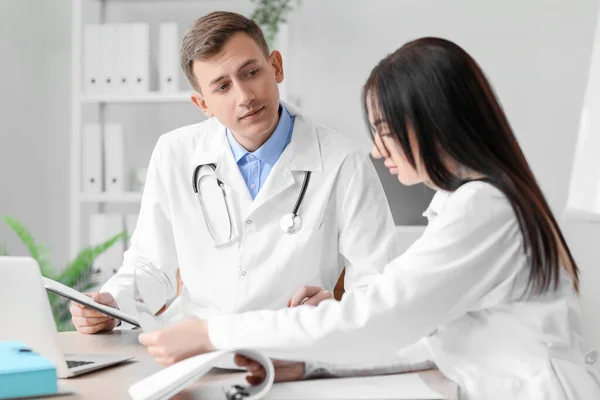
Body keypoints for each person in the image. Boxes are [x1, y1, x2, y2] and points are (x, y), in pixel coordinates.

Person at [138, 37, 600, 399]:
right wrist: (312, 363)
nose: (378, 149)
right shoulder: (473, 203)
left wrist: (211, 332)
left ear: (431, 120)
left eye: (383, 129)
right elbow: (425, 335)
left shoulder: (486, 210)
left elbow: (378, 317)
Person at [69, 12, 398, 334]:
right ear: (203, 104)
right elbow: (151, 265)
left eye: (251, 72)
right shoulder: (174, 153)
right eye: (222, 87)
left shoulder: (344, 162)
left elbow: (375, 284)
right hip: (194, 345)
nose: (245, 97)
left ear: (276, 67)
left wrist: (331, 313)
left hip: (292, 344)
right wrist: (110, 304)